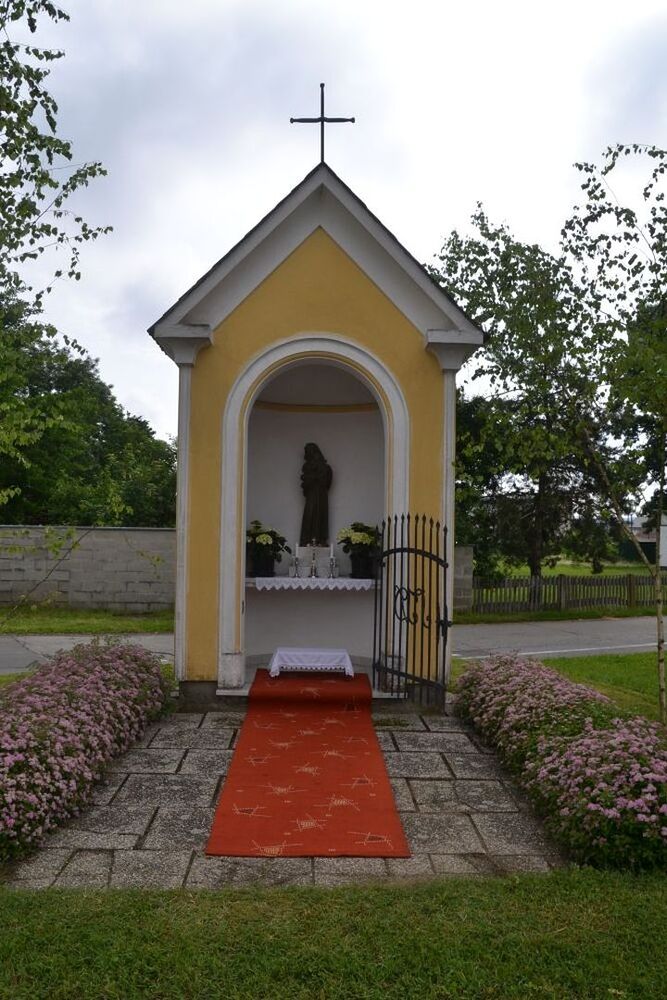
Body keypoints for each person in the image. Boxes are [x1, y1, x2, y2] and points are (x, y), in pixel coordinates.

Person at [299, 442, 332, 546]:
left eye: (309, 452)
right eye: (307, 452)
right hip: (311, 495)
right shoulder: (307, 467)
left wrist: (314, 478)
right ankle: (306, 540)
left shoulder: (325, 467)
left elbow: (327, 483)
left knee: (320, 515)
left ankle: (320, 540)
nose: (308, 454)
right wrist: (310, 479)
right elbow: (305, 483)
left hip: (321, 495)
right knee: (309, 515)